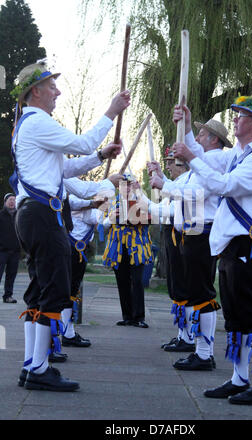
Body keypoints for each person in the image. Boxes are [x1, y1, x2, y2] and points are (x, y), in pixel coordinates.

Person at [12, 60, 130, 392]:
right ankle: (39, 368)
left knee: (40, 290)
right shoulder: (37, 122)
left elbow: (64, 168)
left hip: (34, 214)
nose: (58, 92)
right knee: (54, 290)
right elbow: (79, 143)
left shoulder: (29, 125)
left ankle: (32, 366)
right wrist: (111, 110)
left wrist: (102, 155)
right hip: (41, 215)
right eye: (52, 87)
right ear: (35, 91)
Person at [172, 93, 252, 404]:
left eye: (241, 115)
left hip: (250, 245)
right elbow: (203, 157)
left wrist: (191, 157)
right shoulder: (240, 154)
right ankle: (239, 377)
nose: (234, 118)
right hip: (233, 246)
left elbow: (223, 185)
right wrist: (188, 127)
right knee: (235, 315)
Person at [150, 120, 231, 371]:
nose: (197, 137)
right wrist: (185, 120)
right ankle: (198, 348)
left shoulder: (214, 161)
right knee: (195, 292)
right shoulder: (203, 162)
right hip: (193, 233)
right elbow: (183, 186)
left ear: (215, 140)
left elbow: (193, 195)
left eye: (203, 134)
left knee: (201, 293)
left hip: (202, 232)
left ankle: (204, 353)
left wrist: (164, 185)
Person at [146, 148, 194, 352]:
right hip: (172, 234)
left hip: (183, 236)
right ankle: (183, 334)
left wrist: (141, 200)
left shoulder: (190, 181)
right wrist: (159, 176)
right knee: (176, 288)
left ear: (183, 165)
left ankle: (189, 337)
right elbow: (170, 191)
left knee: (184, 286)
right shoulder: (180, 183)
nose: (168, 166)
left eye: (171, 163)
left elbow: (168, 209)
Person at [102, 176, 152, 328]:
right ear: (119, 187)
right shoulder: (111, 203)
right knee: (122, 281)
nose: (127, 188)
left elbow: (152, 217)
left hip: (137, 247)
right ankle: (127, 316)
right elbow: (102, 224)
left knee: (137, 281)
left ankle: (139, 317)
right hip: (117, 248)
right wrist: (112, 218)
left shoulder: (142, 200)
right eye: (124, 185)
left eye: (130, 185)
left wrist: (138, 216)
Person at [60, 194, 104, 348]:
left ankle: (68, 332)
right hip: (73, 250)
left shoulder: (79, 205)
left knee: (70, 290)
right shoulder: (76, 204)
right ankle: (66, 334)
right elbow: (100, 219)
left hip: (75, 250)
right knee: (68, 290)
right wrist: (97, 203)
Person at [0, 193, 20, 304]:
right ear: (5, 202)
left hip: (15, 251)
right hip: (1, 251)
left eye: (14, 200)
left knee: (11, 276)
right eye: (10, 200)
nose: (12, 202)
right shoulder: (1, 215)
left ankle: (8, 296)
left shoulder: (19, 215)